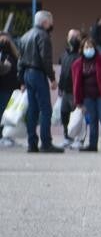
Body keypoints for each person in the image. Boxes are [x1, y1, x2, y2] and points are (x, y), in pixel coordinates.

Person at [17, 10, 62, 153]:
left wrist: (21, 80)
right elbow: (46, 60)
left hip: (27, 75)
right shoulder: (43, 36)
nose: (52, 24)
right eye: (51, 21)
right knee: (45, 109)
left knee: (32, 110)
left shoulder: (25, 36)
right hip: (38, 74)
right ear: (45, 22)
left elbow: (20, 60)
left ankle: (32, 144)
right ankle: (46, 143)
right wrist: (53, 78)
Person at [71, 37, 101, 153]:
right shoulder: (77, 64)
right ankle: (92, 145)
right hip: (87, 97)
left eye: (91, 47)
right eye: (86, 47)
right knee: (92, 121)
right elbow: (75, 83)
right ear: (82, 49)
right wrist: (78, 101)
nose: (89, 49)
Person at [57, 29, 82, 148]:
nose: (73, 39)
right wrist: (60, 88)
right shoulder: (65, 54)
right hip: (65, 91)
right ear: (67, 38)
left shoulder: (81, 54)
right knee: (64, 114)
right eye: (71, 36)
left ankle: (79, 139)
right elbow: (62, 73)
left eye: (76, 37)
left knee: (77, 116)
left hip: (76, 91)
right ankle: (67, 137)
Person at [0, 32, 20, 125]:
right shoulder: (14, 55)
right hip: (10, 88)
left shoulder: (8, 57)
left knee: (4, 112)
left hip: (6, 88)